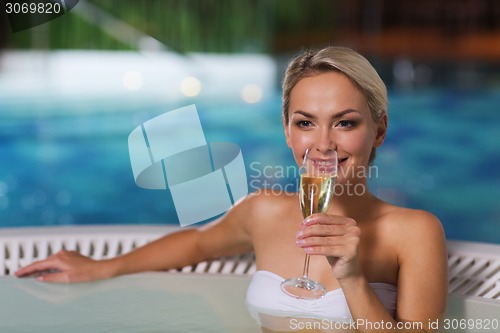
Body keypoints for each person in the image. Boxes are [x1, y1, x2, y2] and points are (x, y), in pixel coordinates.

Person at [16, 46, 448, 332]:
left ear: (379, 130)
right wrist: (103, 267)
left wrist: (352, 277)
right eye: (305, 122)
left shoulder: (414, 232)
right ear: (287, 131)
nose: (322, 143)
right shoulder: (263, 211)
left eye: (345, 122)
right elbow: (198, 243)